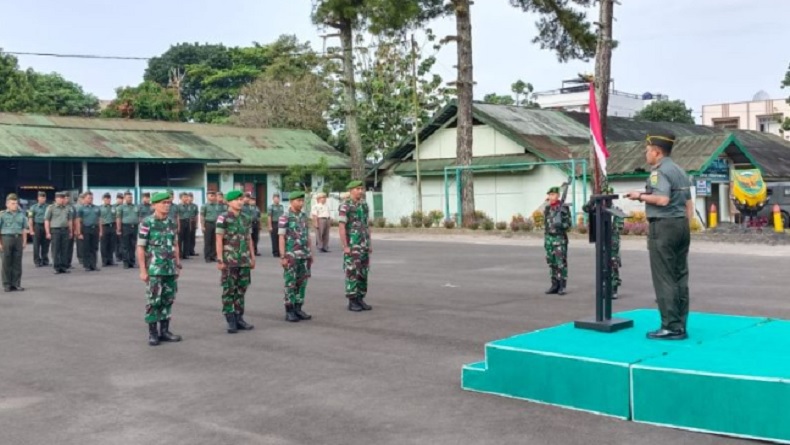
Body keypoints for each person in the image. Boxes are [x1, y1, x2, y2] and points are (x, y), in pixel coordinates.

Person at [627, 134, 692, 340]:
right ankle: (680, 323)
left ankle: (670, 326)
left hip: (663, 226)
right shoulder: (679, 170)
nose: (646, 155)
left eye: (647, 151)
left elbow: (662, 199)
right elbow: (688, 203)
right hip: (681, 224)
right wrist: (684, 224)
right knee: (680, 275)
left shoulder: (659, 172)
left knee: (664, 276)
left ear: (657, 152)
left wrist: (640, 196)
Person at [137, 192, 182, 346]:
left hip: (170, 269)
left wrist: (178, 264)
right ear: (154, 205)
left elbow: (175, 244)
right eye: (163, 202)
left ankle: (165, 331)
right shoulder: (147, 223)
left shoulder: (171, 223)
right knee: (154, 300)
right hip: (154, 269)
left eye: (168, 202)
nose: (167, 205)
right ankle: (153, 333)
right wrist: (143, 270)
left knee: (168, 299)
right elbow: (141, 247)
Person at [216, 190, 255, 333]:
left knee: (241, 289)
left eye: (241, 199)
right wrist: (220, 259)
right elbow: (219, 239)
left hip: (244, 260)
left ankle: (239, 317)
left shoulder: (246, 217)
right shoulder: (223, 218)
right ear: (229, 202)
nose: (240, 201)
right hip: (229, 260)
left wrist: (252, 257)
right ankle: (230, 319)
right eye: (237, 199)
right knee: (229, 290)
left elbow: (249, 238)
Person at [338, 180, 373, 312]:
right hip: (352, 245)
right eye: (357, 189)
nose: (360, 191)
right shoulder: (345, 206)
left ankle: (360, 298)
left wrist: (369, 243)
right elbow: (341, 227)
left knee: (363, 273)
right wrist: (345, 246)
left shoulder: (364, 205)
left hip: (363, 245)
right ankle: (352, 300)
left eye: (361, 188)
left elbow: (366, 225)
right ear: (351, 190)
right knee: (352, 272)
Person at [279, 190, 313, 322]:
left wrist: (310, 253)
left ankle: (298, 308)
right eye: (298, 201)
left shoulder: (304, 216)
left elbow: (307, 235)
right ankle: (289, 310)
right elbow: (281, 237)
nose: (301, 203)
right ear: (291, 201)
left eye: (302, 200)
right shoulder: (285, 217)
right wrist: (283, 256)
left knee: (302, 283)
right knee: (290, 283)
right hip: (291, 255)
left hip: (304, 255)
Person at [543, 186, 571, 295]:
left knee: (561, 263)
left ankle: (562, 285)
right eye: (549, 195)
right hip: (549, 239)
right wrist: (546, 240)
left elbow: (568, 225)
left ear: (558, 195)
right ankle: (554, 284)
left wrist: (561, 225)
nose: (551, 197)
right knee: (551, 262)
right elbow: (546, 225)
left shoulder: (563, 208)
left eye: (553, 195)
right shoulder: (547, 208)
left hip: (559, 239)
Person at [0, 194, 28, 292]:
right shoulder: (2, 215)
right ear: (7, 204)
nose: (15, 205)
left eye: (16, 203)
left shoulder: (21, 215)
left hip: (18, 239)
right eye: (12, 203)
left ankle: (16, 284)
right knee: (6, 262)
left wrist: (24, 241)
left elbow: (24, 229)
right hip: (6, 238)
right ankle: (7, 284)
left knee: (17, 262)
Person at [45, 191, 73, 274]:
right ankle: (57, 267)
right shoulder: (51, 208)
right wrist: (47, 232)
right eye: (60, 198)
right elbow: (47, 220)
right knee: (56, 249)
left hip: (65, 230)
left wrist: (71, 231)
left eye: (63, 198)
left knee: (65, 249)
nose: (62, 200)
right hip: (55, 230)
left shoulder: (67, 208)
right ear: (56, 199)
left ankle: (64, 266)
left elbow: (70, 220)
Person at [76, 191, 101, 272]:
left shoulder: (97, 208)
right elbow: (78, 221)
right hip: (86, 229)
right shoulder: (81, 209)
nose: (91, 199)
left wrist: (100, 231)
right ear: (84, 199)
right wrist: (79, 232)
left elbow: (100, 220)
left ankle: (93, 264)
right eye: (89, 198)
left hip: (95, 229)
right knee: (86, 248)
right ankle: (87, 265)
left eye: (91, 198)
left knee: (94, 248)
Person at [116, 191, 139, 269]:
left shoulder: (135, 206)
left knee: (133, 245)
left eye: (131, 197)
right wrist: (118, 229)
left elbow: (139, 217)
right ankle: (126, 262)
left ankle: (132, 261)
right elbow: (118, 218)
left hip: (134, 227)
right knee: (125, 245)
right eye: (129, 197)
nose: (130, 198)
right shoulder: (121, 207)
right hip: (125, 227)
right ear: (125, 198)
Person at [28, 191, 50, 267]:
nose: (43, 199)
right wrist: (31, 230)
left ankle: (45, 260)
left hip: (46, 226)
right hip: (37, 226)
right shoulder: (33, 207)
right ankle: (37, 261)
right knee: (36, 245)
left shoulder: (48, 207)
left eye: (44, 197)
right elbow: (30, 219)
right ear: (38, 198)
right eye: (41, 197)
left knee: (45, 244)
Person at [200, 191, 222, 262]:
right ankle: (207, 257)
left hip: (215, 224)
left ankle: (213, 256)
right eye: (211, 195)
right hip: (208, 224)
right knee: (208, 241)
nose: (213, 197)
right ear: (207, 197)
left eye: (214, 196)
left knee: (214, 241)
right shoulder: (204, 206)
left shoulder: (217, 205)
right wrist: (202, 226)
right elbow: (202, 216)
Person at [99, 193, 117, 267]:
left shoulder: (113, 207)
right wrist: (100, 230)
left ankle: (110, 260)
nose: (108, 200)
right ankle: (104, 260)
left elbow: (116, 217)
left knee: (111, 244)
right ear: (103, 199)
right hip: (104, 227)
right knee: (104, 244)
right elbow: (99, 219)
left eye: (109, 199)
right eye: (106, 199)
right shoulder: (100, 208)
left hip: (112, 226)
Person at [267, 193, 284, 258]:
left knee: (281, 237)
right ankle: (275, 252)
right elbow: (269, 217)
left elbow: (283, 215)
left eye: (278, 198)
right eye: (275, 198)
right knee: (274, 238)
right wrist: (270, 226)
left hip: (281, 223)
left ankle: (280, 251)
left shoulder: (281, 206)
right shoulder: (271, 207)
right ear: (273, 199)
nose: (277, 200)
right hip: (274, 223)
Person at [65, 193, 77, 269]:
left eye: (68, 198)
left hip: (71, 228)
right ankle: (62, 263)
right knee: (63, 247)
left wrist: (75, 230)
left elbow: (75, 219)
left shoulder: (72, 207)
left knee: (70, 247)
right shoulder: (61, 207)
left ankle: (68, 263)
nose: (67, 199)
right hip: (63, 229)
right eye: (65, 198)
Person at [113, 193, 124, 263]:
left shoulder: (124, 206)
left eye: (121, 198)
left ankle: (122, 255)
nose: (120, 200)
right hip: (114, 225)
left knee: (122, 241)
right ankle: (117, 255)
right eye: (119, 198)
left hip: (123, 225)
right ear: (117, 199)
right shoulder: (113, 206)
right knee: (116, 241)